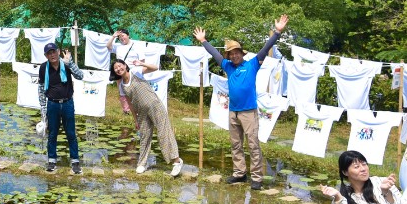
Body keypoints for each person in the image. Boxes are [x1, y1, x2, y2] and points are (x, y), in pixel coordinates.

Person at [194, 15, 288, 190]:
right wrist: (203, 41)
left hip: (249, 112)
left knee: (253, 144)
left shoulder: (253, 64)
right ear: (229, 56)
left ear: (241, 53)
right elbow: (214, 53)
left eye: (237, 52)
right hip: (233, 112)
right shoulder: (228, 66)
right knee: (235, 144)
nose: (234, 55)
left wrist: (277, 32)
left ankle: (257, 178)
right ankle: (239, 173)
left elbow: (266, 47)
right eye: (231, 53)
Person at [111, 58, 184, 176]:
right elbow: (130, 103)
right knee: (144, 136)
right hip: (141, 112)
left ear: (125, 65)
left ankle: (176, 161)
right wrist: (135, 119)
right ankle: (142, 164)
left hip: (155, 106)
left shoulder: (136, 72)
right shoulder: (121, 86)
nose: (119, 69)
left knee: (164, 132)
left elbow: (155, 68)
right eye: (116, 69)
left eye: (120, 66)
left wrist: (141, 63)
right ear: (114, 72)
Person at [38, 42, 84, 174]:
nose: (52, 55)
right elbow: (41, 88)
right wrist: (43, 107)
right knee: (52, 134)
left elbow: (80, 75)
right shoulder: (43, 68)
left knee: (71, 133)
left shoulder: (66, 64)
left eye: (53, 51)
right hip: (52, 104)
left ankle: (75, 161)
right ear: (46, 55)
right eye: (49, 53)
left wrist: (70, 63)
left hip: (68, 103)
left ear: (58, 51)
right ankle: (51, 160)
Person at [105, 29, 135, 114]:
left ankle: (134, 109)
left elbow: (142, 59)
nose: (121, 38)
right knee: (122, 91)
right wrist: (114, 36)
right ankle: (126, 110)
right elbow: (108, 46)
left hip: (131, 72)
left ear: (128, 35)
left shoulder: (134, 45)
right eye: (119, 37)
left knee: (132, 90)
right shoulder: (118, 46)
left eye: (123, 36)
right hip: (119, 71)